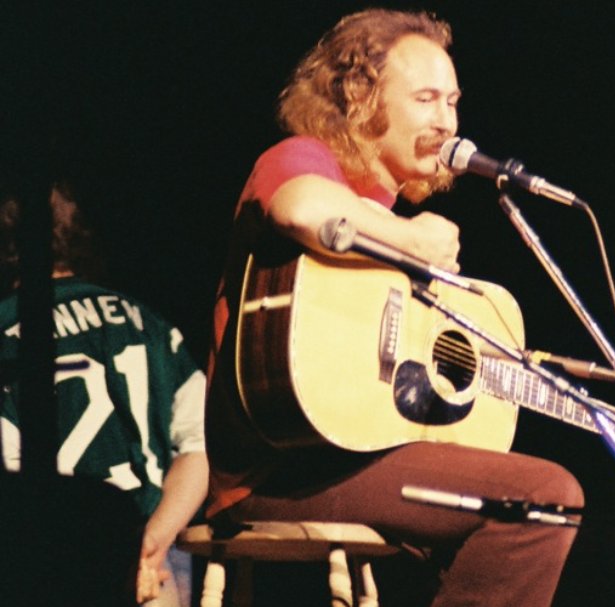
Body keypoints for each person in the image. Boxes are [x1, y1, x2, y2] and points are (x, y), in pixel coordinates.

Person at [206, 9, 584, 606]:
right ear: (359, 97)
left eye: (453, 100)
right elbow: (302, 208)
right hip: (279, 467)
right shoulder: (302, 158)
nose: (448, 121)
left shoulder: (385, 225)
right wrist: (412, 241)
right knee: (542, 498)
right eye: (427, 98)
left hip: (353, 459)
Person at [0, 185, 209, 606]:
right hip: (152, 566)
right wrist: (150, 544)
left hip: (48, 563)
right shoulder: (151, 325)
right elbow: (201, 447)